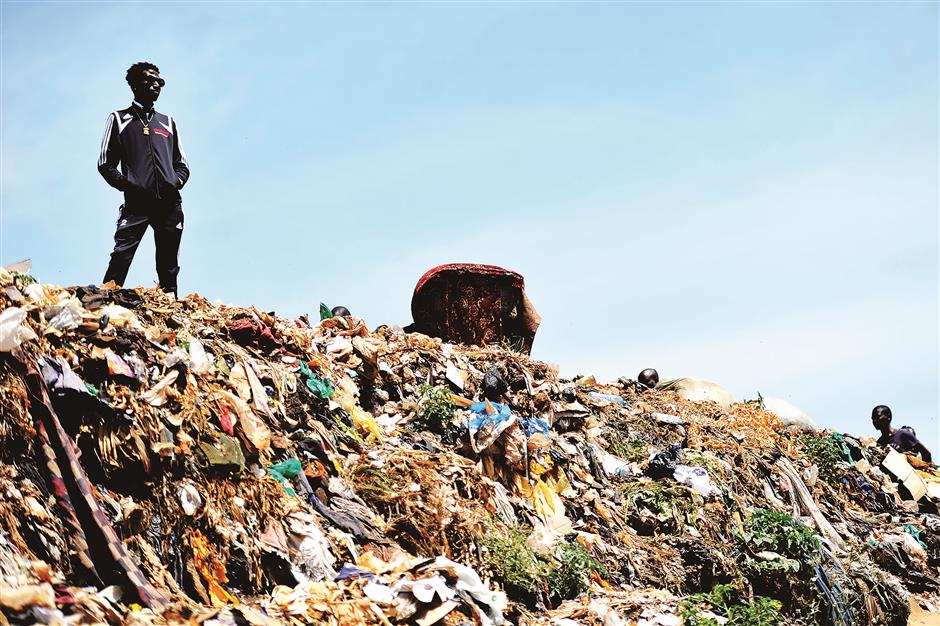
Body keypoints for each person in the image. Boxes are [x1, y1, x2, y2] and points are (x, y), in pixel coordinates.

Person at [99, 62, 189, 297]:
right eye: (149, 80)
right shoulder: (119, 119)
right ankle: (104, 304)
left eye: (159, 81)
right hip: (137, 204)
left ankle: (171, 309)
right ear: (134, 85)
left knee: (169, 266)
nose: (156, 85)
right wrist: (131, 186)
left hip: (170, 204)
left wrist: (174, 182)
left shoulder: (168, 123)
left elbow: (183, 165)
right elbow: (105, 164)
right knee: (121, 255)